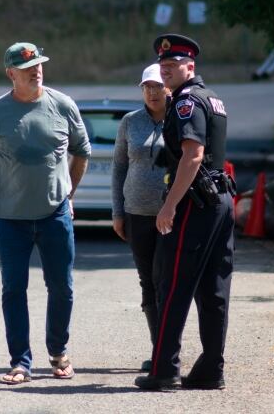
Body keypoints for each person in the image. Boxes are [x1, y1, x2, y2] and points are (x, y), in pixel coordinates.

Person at [0, 42, 91, 385]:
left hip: (55, 215)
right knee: (13, 289)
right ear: (11, 74)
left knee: (61, 287)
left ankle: (59, 352)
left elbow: (82, 151)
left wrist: (69, 193)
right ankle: (20, 361)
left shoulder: (62, 105)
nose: (36, 70)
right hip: (11, 219)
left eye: (39, 64)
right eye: (27, 68)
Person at [134, 34, 235, 391]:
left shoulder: (185, 103)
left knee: (173, 285)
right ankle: (210, 369)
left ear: (190, 67)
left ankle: (164, 370)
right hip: (220, 201)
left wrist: (169, 205)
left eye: (173, 66)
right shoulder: (214, 99)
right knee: (213, 289)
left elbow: (192, 157)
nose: (166, 70)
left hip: (195, 201)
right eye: (163, 66)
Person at [111, 63, 168, 372]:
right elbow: (119, 167)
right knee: (148, 281)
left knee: (168, 281)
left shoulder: (180, 119)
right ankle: (159, 348)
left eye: (157, 86)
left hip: (171, 215)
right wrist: (117, 212)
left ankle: (169, 347)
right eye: (147, 86)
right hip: (136, 213)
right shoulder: (130, 122)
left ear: (168, 87)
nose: (152, 92)